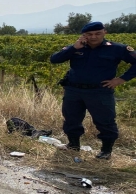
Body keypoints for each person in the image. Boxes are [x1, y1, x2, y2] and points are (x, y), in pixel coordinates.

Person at [50, 21, 136, 159]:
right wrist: (73, 48)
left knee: (105, 121)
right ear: (83, 35)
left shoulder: (117, 49)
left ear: (104, 32)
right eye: (89, 34)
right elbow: (54, 59)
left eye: (98, 33)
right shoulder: (77, 48)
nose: (94, 37)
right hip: (74, 90)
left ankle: (106, 151)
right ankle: (73, 145)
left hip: (99, 91)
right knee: (71, 119)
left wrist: (121, 79)